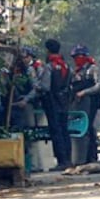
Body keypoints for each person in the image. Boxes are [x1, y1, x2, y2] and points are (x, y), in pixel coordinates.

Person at [39, 39, 72, 171]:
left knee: (56, 131)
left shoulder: (49, 66)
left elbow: (45, 87)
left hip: (52, 102)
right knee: (65, 130)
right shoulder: (66, 65)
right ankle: (68, 159)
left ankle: (61, 161)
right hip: (64, 101)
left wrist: (37, 85)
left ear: (48, 50)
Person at [69, 44, 100, 164]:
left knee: (89, 128)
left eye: (79, 56)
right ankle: (82, 157)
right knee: (81, 129)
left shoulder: (93, 68)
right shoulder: (76, 71)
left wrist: (85, 92)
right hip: (79, 104)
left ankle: (92, 156)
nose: (77, 59)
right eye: (75, 57)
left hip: (92, 102)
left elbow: (99, 85)